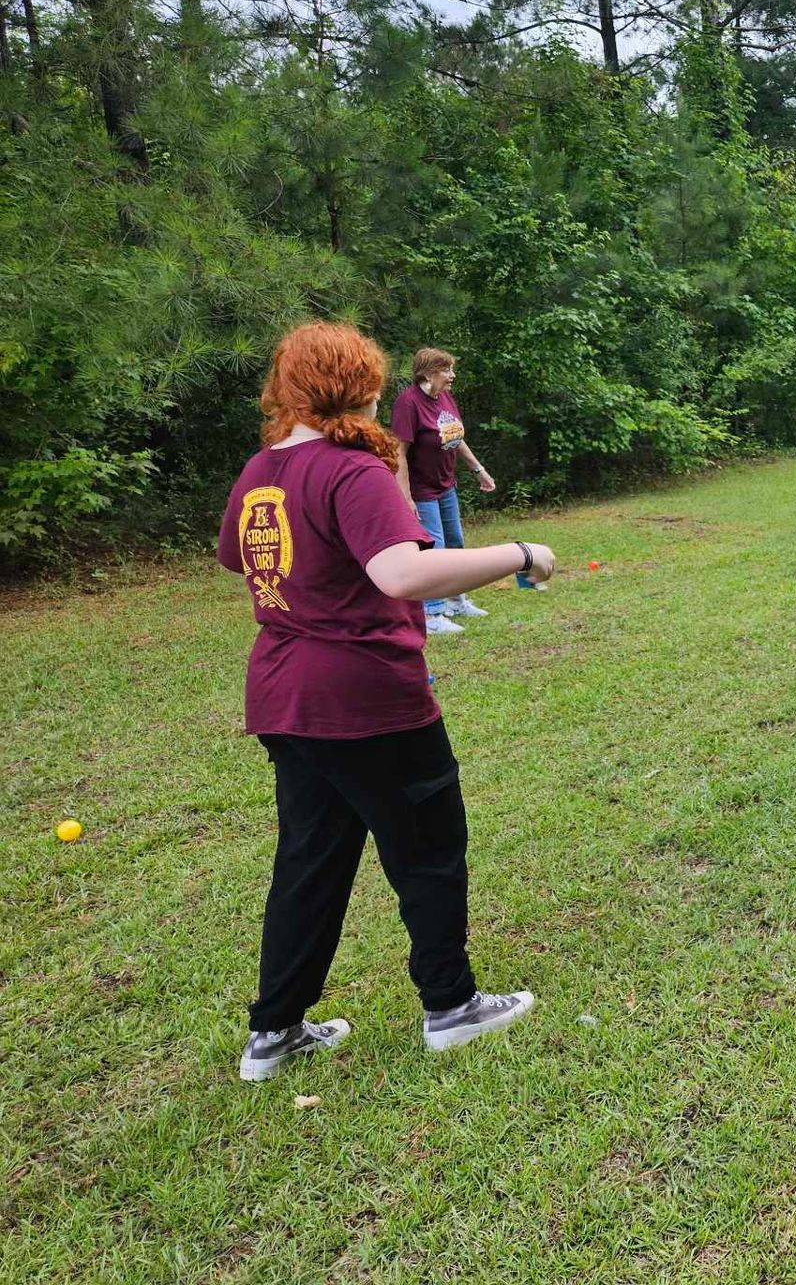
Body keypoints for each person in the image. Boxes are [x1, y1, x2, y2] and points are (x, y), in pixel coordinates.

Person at [217, 320, 555, 1081]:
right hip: (365, 699)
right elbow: (401, 574)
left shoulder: (262, 470)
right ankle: (453, 1008)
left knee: (310, 858)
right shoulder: (348, 470)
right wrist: (522, 554)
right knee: (428, 847)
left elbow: (241, 558)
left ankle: (274, 1033)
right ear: (359, 384)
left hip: (284, 697)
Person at [390, 348, 510, 635]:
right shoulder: (408, 404)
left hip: (446, 485)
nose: (452, 376)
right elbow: (398, 453)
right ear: (428, 373)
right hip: (422, 490)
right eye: (447, 370)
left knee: (455, 542)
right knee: (435, 549)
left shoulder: (443, 397)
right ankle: (431, 613)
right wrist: (404, 497)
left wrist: (478, 469)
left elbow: (454, 436)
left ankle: (457, 601)